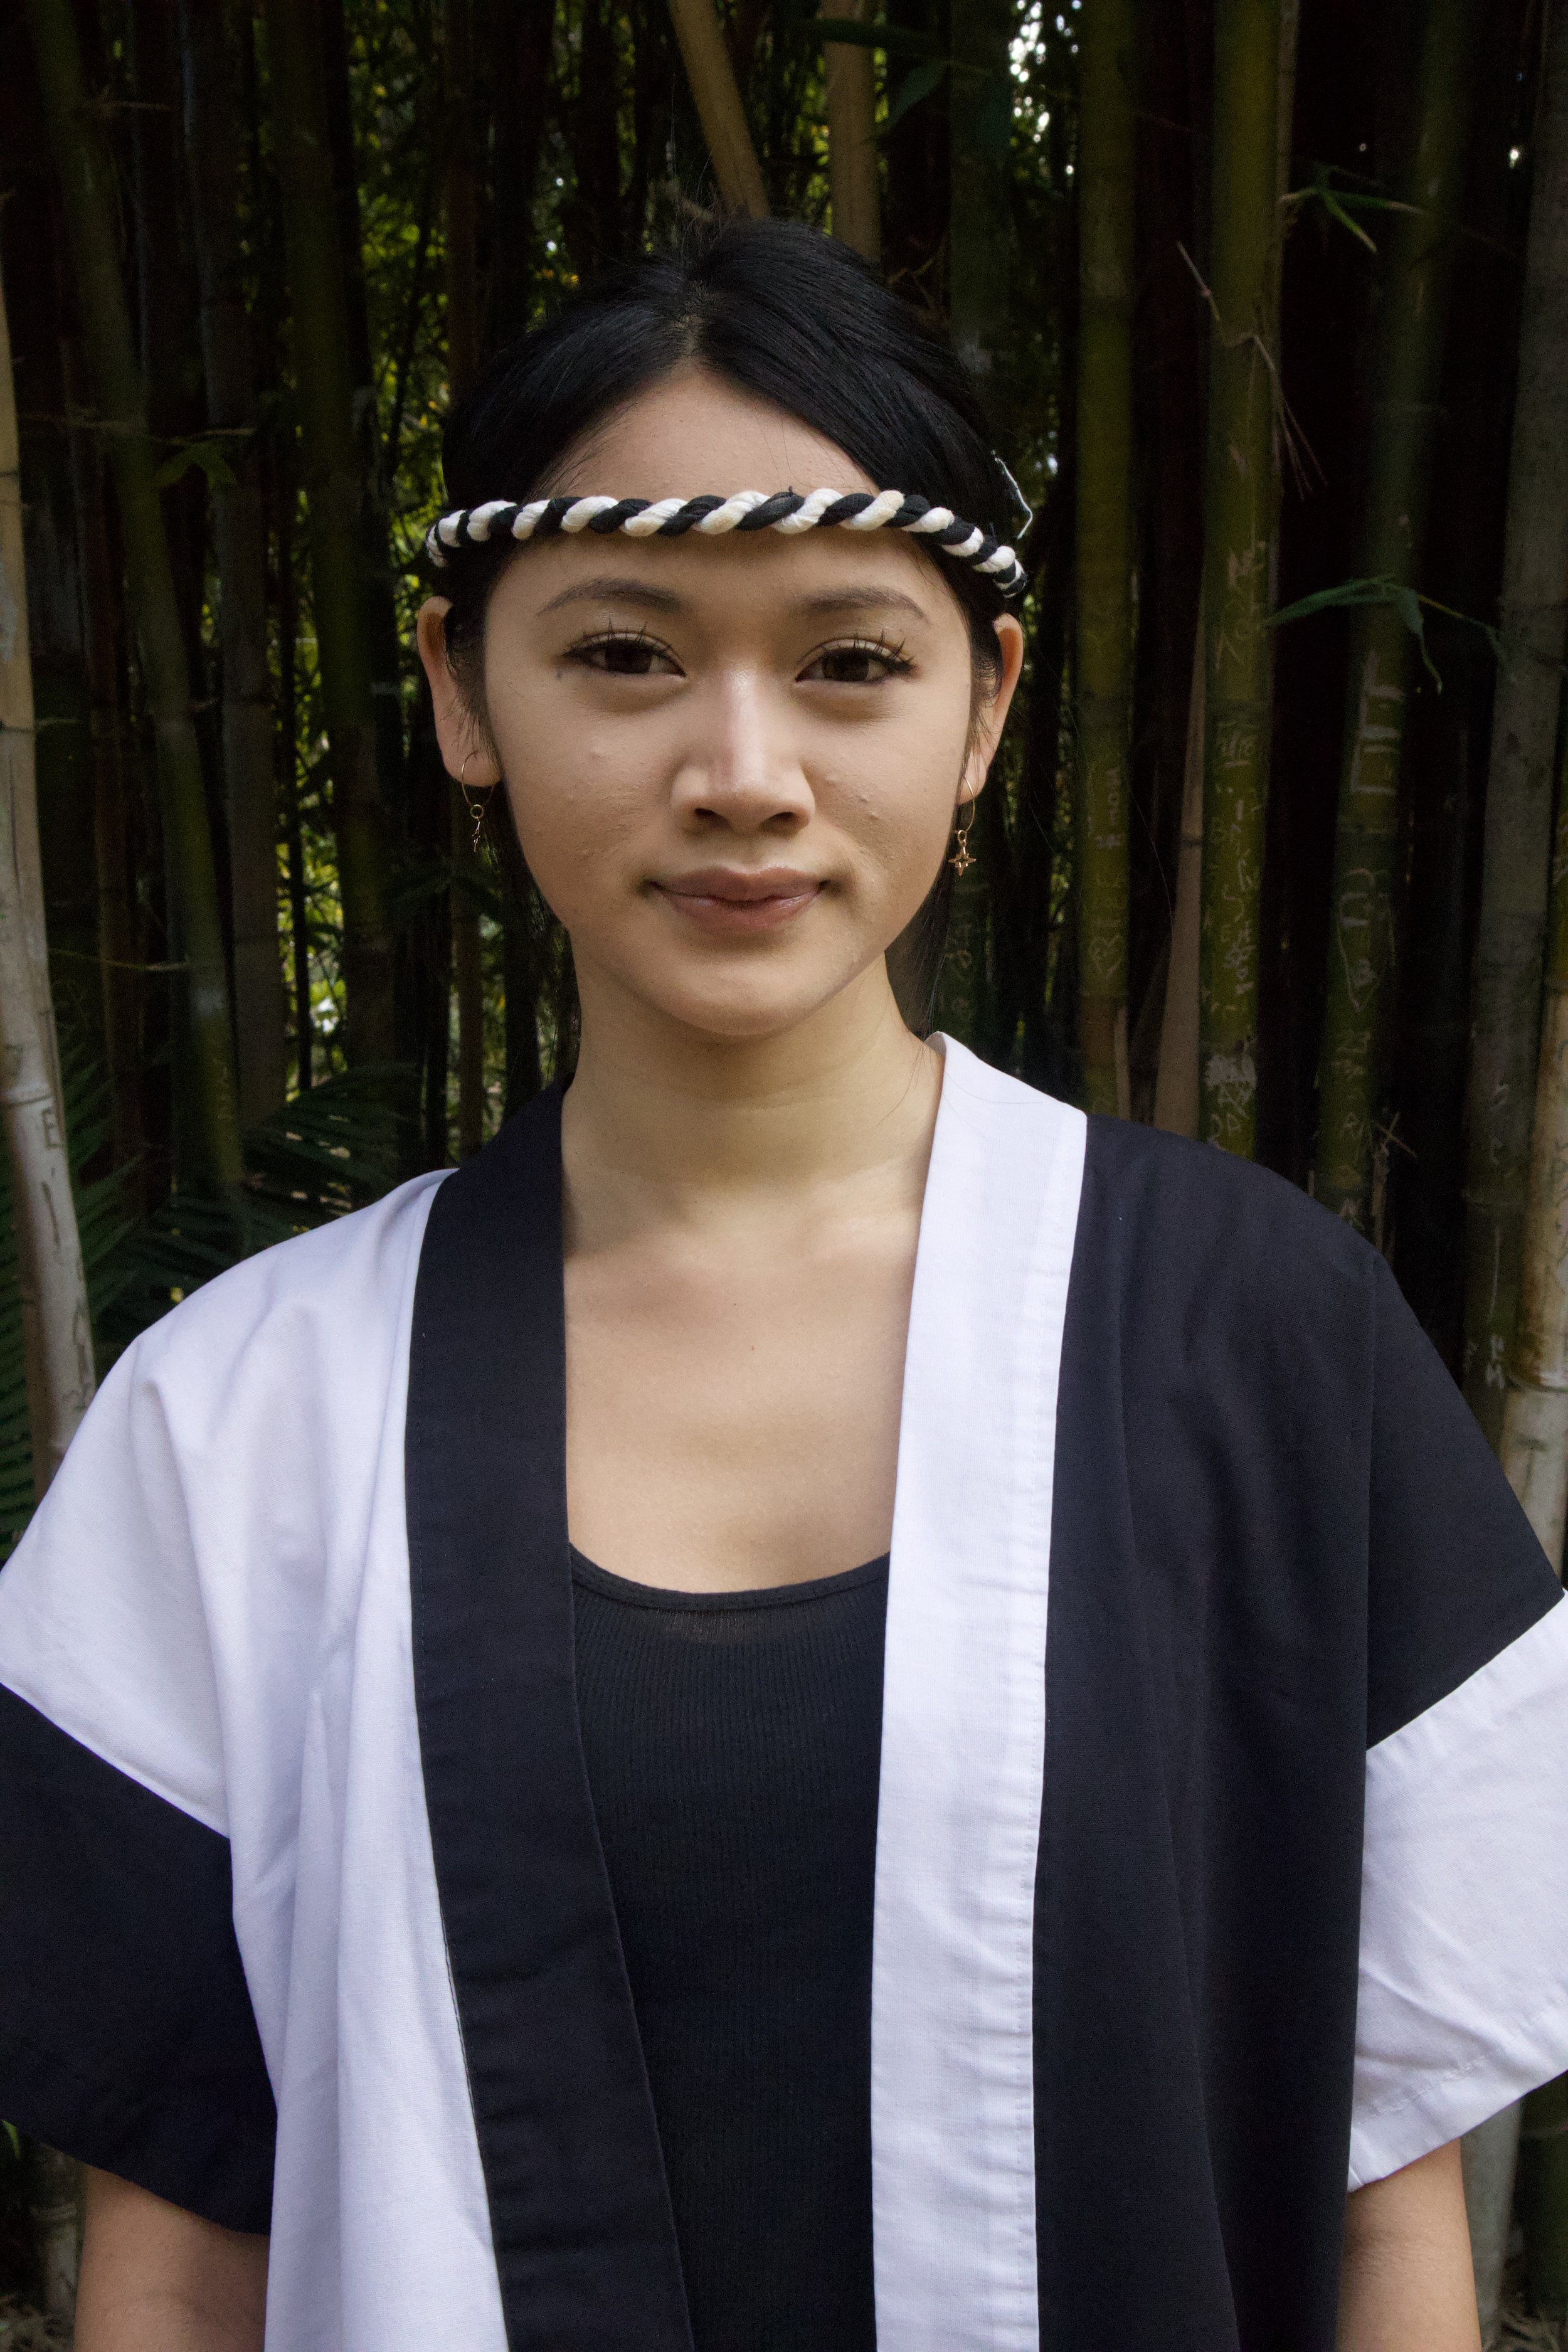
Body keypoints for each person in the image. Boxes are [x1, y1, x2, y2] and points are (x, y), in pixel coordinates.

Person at [1, 220, 1565, 2352]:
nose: (742, 772)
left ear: (984, 705)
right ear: (459, 689)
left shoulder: (1258, 1346)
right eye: (623, 654)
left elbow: (1385, 2210)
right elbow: (181, 2264)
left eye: (847, 661)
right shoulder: (239, 1416)